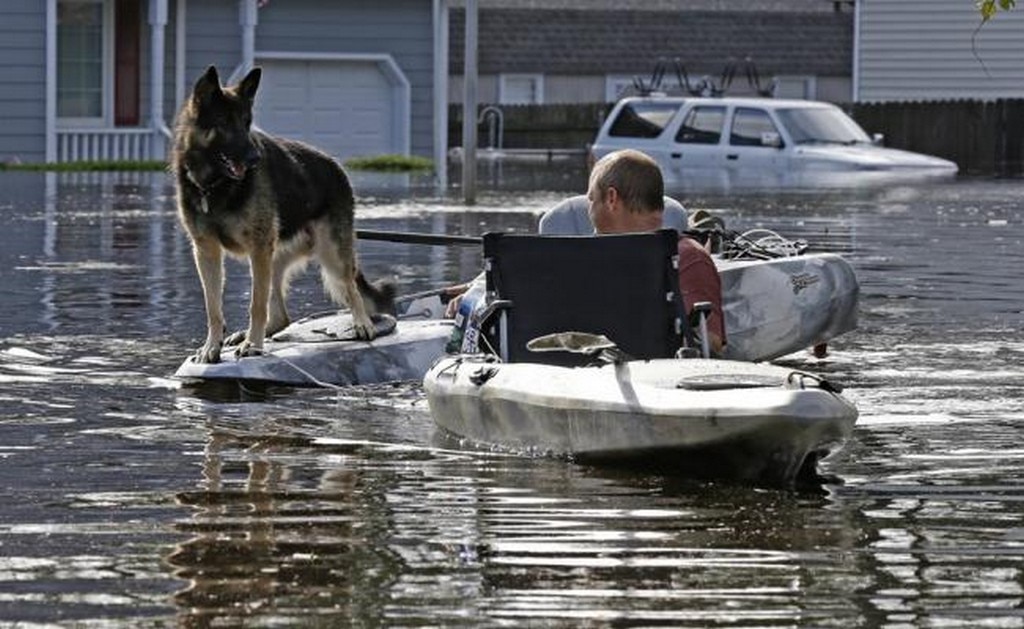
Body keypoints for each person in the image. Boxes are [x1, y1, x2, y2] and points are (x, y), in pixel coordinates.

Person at [585, 149, 724, 354]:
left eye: (591, 199)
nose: (588, 208)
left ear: (611, 198)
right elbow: (709, 344)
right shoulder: (688, 256)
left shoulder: (576, 259)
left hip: (577, 377)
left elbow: (710, 342)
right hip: (655, 376)